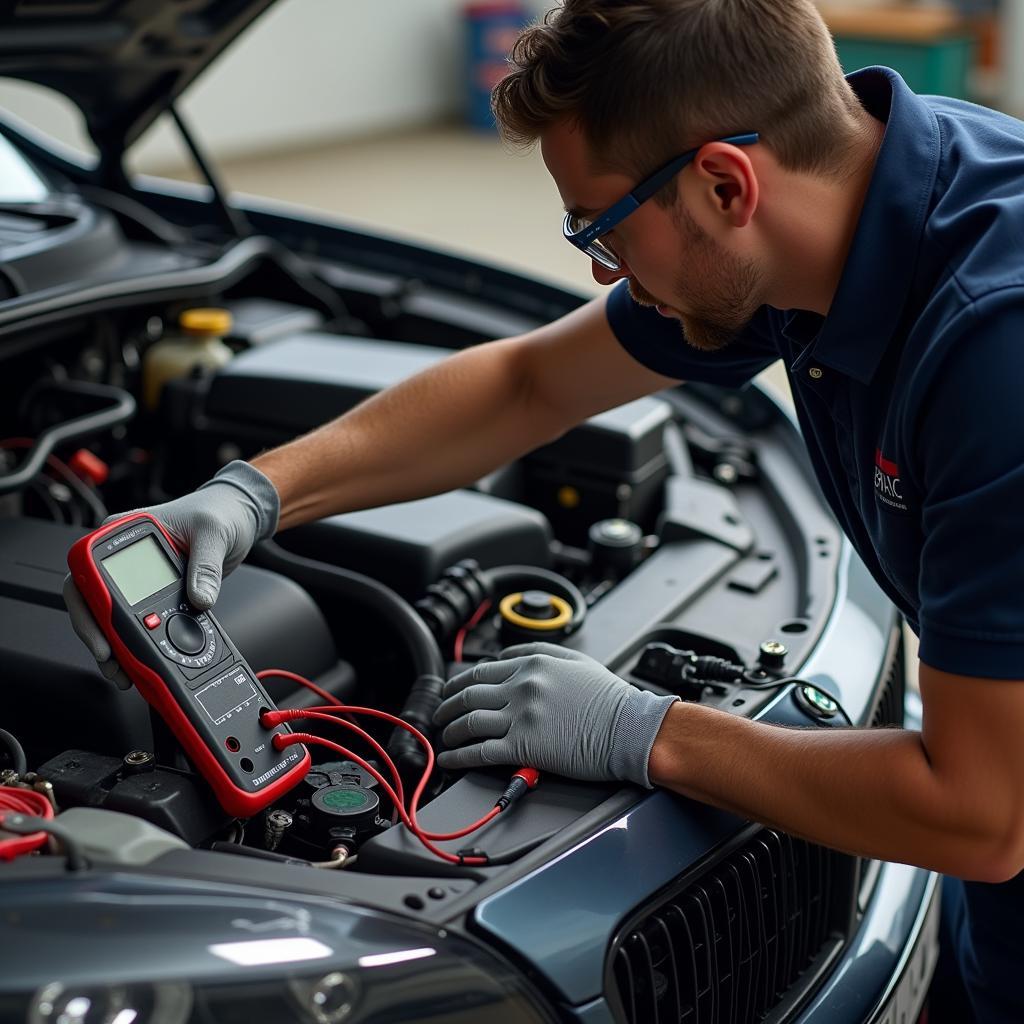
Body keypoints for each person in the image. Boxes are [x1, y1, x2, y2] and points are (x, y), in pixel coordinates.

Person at [65, 1, 1024, 1019]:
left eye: (600, 229)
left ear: (725, 181)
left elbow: (978, 812)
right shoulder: (845, 206)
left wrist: (643, 730)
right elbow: (529, 384)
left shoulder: (991, 355)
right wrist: (256, 492)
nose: (599, 272)